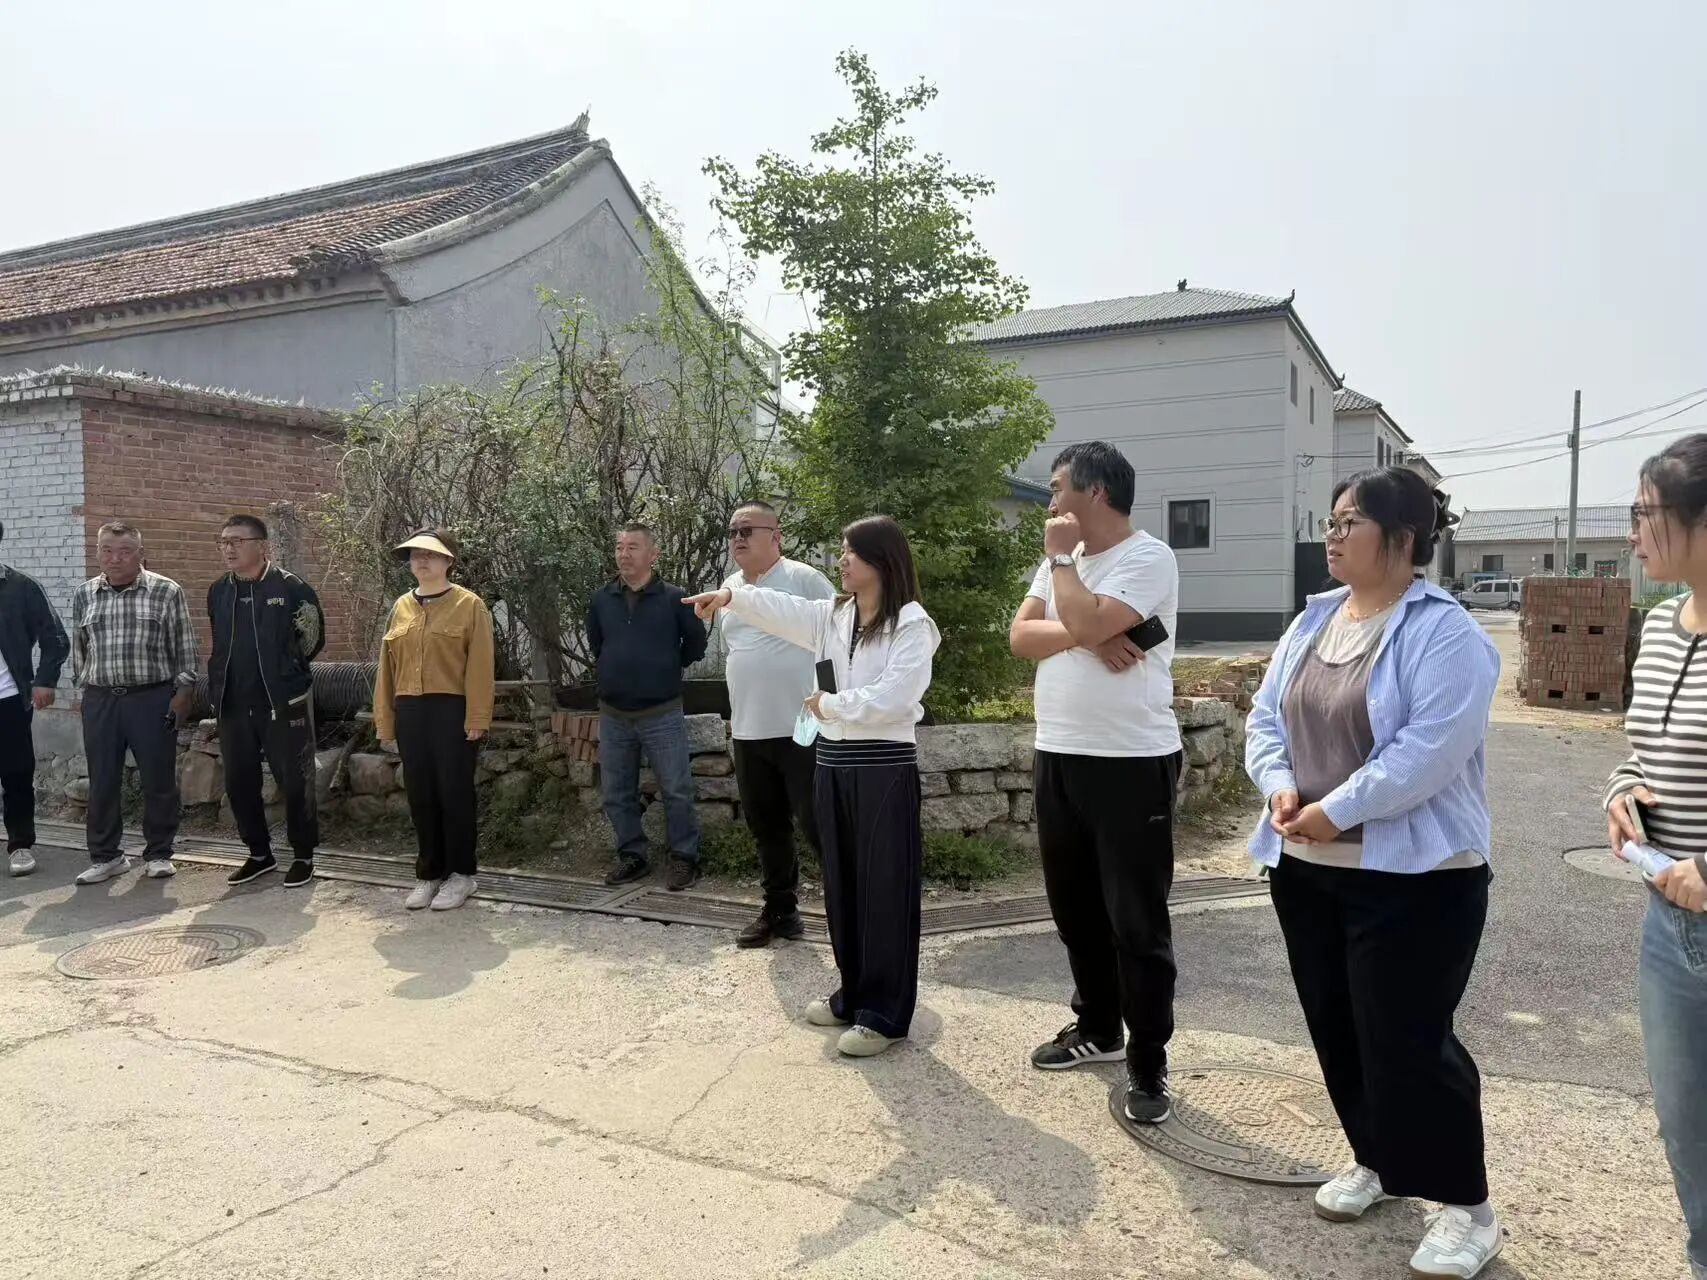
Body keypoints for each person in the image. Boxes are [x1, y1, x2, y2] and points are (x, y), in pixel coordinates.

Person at [1244, 467, 1504, 1279]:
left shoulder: (1446, 635)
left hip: (1416, 877)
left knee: (1410, 1041)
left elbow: (1426, 752)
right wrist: (1279, 788)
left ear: (1401, 537)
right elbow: (1264, 719)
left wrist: (1336, 809)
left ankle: (1468, 1209)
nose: (1330, 535)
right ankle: (1378, 1160)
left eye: (1346, 522)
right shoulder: (1313, 619)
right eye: (1328, 521)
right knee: (1338, 1026)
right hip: (1306, 866)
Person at [687, 516, 940, 1058]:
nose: (841, 560)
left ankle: (886, 1014)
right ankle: (854, 994)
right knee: (843, 883)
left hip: (882, 766)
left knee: (883, 888)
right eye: (843, 551)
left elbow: (896, 696)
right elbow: (781, 609)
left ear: (882, 561)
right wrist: (731, 596)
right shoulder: (834, 615)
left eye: (852, 552)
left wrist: (831, 705)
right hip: (833, 761)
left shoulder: (912, 623)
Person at [1009, 442, 1184, 1124]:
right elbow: (1020, 637)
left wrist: (1066, 581)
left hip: (1130, 762)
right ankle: (1098, 1028)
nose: (1051, 501)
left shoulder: (1147, 556)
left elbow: (1075, 620)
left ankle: (1148, 1061)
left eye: (1058, 488)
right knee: (1075, 910)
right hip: (1058, 753)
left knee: (1135, 921)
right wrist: (1086, 631)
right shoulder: (1065, 563)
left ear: (1096, 492)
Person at [1604, 435, 1707, 1280]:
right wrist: (1621, 790)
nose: (1633, 533)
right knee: (1687, 1129)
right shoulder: (1663, 628)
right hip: (1668, 921)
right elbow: (1642, 747)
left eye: (1645, 513)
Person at [713, 501, 836, 947]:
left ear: (776, 536)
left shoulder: (805, 579)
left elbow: (837, 639)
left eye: (747, 530)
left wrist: (832, 705)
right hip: (749, 729)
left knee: (818, 823)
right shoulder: (729, 587)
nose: (738, 538)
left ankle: (850, 910)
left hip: (802, 727)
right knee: (767, 828)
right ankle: (780, 911)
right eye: (732, 531)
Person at [69, 522, 198, 884]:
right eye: (107, 550)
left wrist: (184, 692)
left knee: (158, 778)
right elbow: (79, 648)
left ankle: (159, 853)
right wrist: (84, 690)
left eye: (125, 551)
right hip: (101, 699)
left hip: (151, 698)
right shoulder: (84, 594)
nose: (115, 558)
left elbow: (184, 646)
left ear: (140, 553)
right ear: (97, 552)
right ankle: (106, 856)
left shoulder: (166, 591)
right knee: (102, 780)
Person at [372, 529, 494, 911]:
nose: (421, 561)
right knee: (420, 794)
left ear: (448, 561)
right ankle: (429, 874)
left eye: (430, 554)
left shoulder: (469, 605)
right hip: (410, 710)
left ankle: (462, 875)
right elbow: (386, 670)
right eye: (415, 555)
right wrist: (385, 721)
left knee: (455, 793)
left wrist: (477, 716)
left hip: (451, 710)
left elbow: (480, 666)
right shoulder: (400, 607)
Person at [586, 523, 708, 892]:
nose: (624, 554)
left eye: (633, 547)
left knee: (676, 789)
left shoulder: (675, 599)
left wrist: (663, 668)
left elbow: (696, 646)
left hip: (662, 712)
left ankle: (685, 858)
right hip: (614, 714)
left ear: (653, 554)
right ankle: (632, 855)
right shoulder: (601, 599)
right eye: (619, 547)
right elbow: (598, 645)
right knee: (616, 792)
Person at [207, 515, 326, 889]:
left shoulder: (291, 587)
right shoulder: (218, 591)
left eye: (237, 541)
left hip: (282, 702)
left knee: (295, 781)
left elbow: (312, 639)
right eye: (223, 541)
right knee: (240, 782)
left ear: (262, 546)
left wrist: (286, 672)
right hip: (233, 703)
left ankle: (303, 856)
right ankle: (259, 854)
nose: (228, 548)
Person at [0, 520, 71, 877]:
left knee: (15, 772)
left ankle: (20, 845)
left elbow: (55, 637)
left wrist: (44, 681)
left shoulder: (21, 587)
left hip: (8, 697)